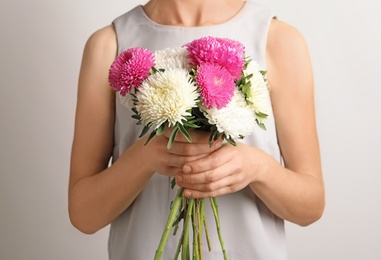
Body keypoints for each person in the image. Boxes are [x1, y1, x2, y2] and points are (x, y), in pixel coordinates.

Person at [68, 0, 325, 259]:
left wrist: (258, 168)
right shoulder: (110, 45)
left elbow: (311, 206)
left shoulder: (278, 40)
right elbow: (84, 215)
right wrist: (144, 158)